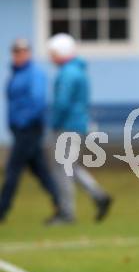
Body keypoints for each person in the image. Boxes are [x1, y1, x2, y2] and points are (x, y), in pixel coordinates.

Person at [46, 33, 112, 225]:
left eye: (53, 52)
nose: (51, 57)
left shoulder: (67, 73)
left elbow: (62, 102)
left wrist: (54, 123)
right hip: (77, 125)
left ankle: (67, 212)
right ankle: (98, 195)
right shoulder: (78, 70)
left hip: (66, 127)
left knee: (62, 169)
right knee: (70, 167)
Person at [0, 39, 61, 224]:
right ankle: (62, 204)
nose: (19, 55)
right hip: (20, 129)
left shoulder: (34, 74)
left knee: (13, 169)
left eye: (22, 52)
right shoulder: (16, 74)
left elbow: (37, 102)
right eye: (16, 52)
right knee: (40, 170)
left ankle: (2, 209)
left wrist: (22, 121)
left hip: (29, 129)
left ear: (28, 53)